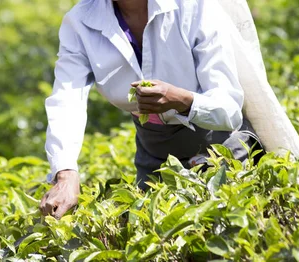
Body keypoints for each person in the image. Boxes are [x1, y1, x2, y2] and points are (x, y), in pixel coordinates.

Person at [39, 0, 263, 219]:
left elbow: (229, 107)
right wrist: (66, 173)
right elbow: (67, 99)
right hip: (155, 152)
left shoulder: (195, 6)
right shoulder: (80, 22)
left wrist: (182, 100)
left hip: (220, 145)